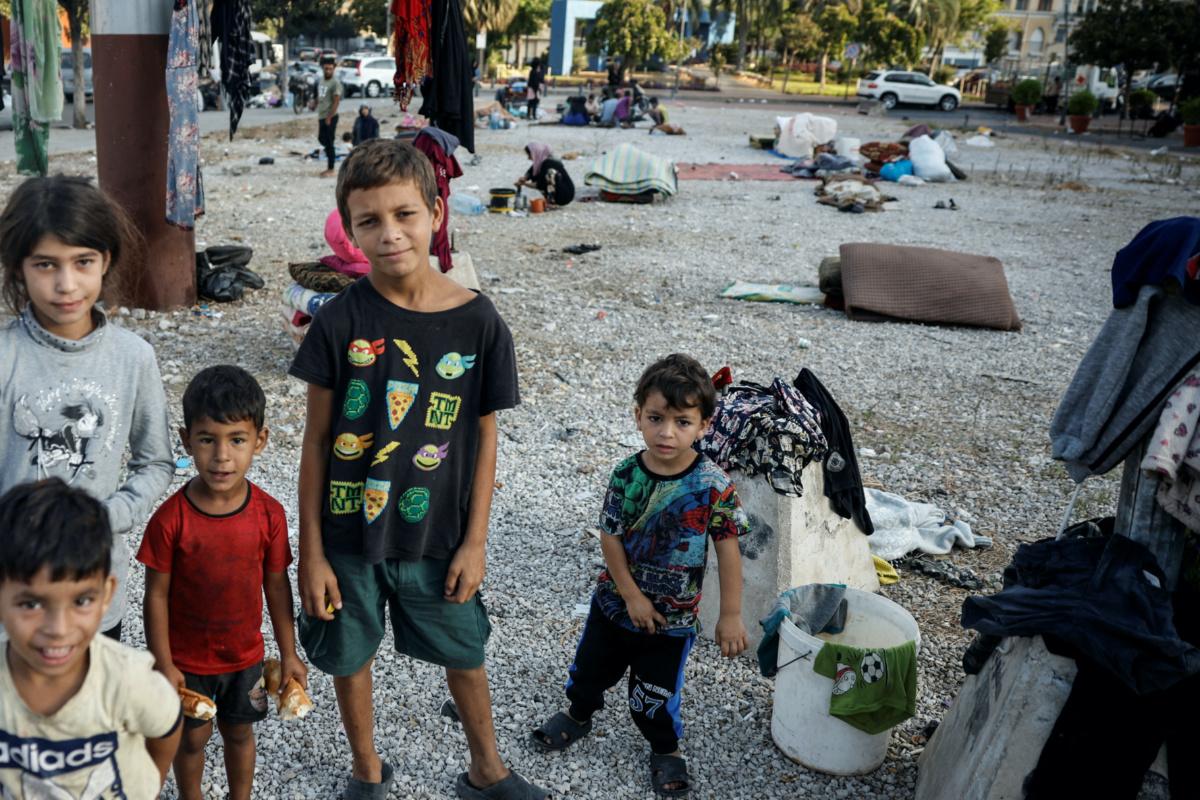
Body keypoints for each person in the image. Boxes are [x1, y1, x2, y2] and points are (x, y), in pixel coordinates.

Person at [289, 139, 548, 800]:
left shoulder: (478, 323)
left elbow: (486, 438)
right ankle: (366, 770)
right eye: (369, 221)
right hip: (347, 536)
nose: (390, 233)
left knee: (465, 649)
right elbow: (316, 443)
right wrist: (310, 555)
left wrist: (476, 541)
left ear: (437, 212)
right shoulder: (336, 322)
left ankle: (486, 768)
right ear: (348, 231)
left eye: (404, 214)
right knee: (350, 654)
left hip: (439, 533)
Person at [530, 354, 750, 798]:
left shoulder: (713, 485)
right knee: (588, 673)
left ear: (704, 425)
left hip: (674, 621)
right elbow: (609, 538)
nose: (667, 432)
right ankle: (578, 715)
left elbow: (728, 551)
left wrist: (729, 615)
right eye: (656, 418)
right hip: (614, 606)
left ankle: (666, 748)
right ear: (638, 417)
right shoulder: (626, 476)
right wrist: (630, 596)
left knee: (653, 695)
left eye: (682, 422)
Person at [0, 175, 174, 643]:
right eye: (45, 265)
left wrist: (108, 516)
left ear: (106, 261)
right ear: (19, 268)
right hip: (12, 597)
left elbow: (155, 460)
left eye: (83, 262)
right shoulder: (5, 358)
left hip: (95, 595)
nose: (66, 284)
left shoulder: (133, 357)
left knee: (93, 712)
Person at [137, 365, 307, 800]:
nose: (222, 457)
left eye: (237, 440)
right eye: (207, 439)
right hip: (187, 660)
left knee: (239, 733)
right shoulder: (170, 520)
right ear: (186, 440)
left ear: (260, 441)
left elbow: (276, 586)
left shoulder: (269, 515)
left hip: (244, 657)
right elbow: (154, 594)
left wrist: (289, 653)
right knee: (191, 739)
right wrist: (163, 660)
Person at [0, 478, 183, 797]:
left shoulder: (128, 679)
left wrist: (150, 782)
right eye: (31, 603)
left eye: (81, 601)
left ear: (106, 594)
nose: (58, 628)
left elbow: (166, 727)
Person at [516, 142, 575, 207]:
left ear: (536, 153)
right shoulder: (543, 161)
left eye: (530, 155)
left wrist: (524, 184)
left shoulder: (549, 164)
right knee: (541, 176)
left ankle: (553, 201)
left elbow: (539, 184)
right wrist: (524, 178)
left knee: (548, 175)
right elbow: (531, 171)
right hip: (565, 192)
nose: (529, 158)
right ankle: (552, 200)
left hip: (565, 195)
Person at [317, 57, 343, 177]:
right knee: (321, 139)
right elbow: (321, 97)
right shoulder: (322, 81)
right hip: (321, 116)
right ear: (323, 68)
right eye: (326, 68)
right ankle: (330, 162)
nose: (328, 71)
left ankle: (331, 168)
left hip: (330, 117)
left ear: (334, 69)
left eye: (330, 69)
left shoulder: (335, 83)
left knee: (329, 142)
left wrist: (329, 117)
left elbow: (336, 101)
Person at [526, 57, 545, 121]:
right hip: (534, 88)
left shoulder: (532, 71)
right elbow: (536, 81)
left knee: (530, 102)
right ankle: (533, 115)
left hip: (531, 88)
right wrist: (537, 89)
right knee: (534, 102)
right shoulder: (535, 72)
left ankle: (529, 115)